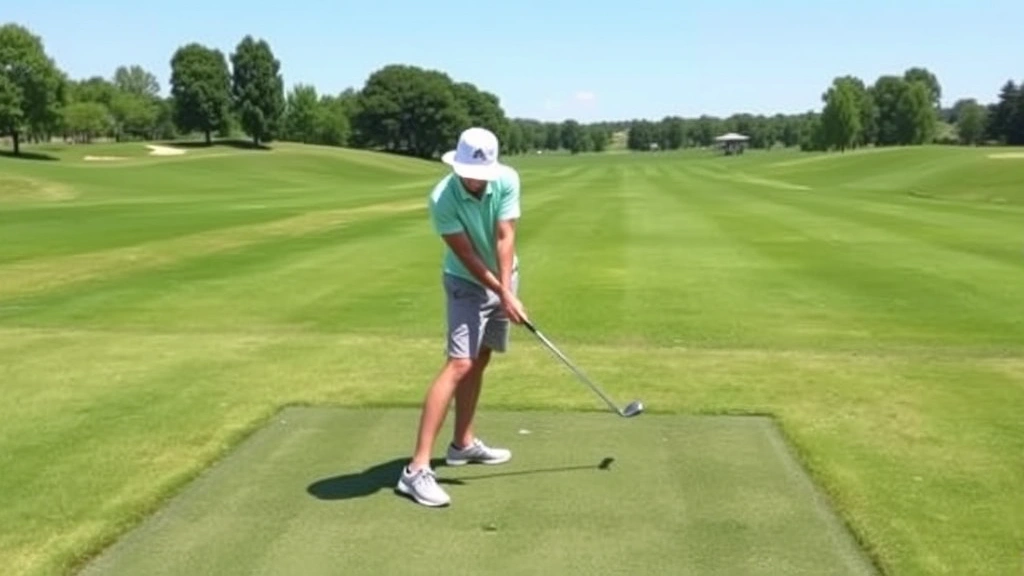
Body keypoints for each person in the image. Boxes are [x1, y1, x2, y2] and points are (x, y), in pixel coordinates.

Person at [395, 126, 528, 508]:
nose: (475, 180)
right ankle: (416, 470)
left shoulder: (507, 179)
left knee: (481, 358)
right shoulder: (442, 198)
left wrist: (506, 288)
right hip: (464, 281)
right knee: (459, 363)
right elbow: (468, 256)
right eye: (469, 172)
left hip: (503, 275)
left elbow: (505, 236)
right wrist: (503, 294)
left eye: (481, 174)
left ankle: (462, 444)